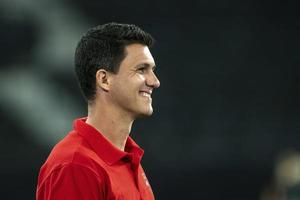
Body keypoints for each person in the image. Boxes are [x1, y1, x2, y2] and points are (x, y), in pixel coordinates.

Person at [36, 22, 160, 200]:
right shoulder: (76, 165)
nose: (155, 81)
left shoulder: (127, 159)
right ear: (104, 79)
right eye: (142, 69)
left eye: (152, 70)